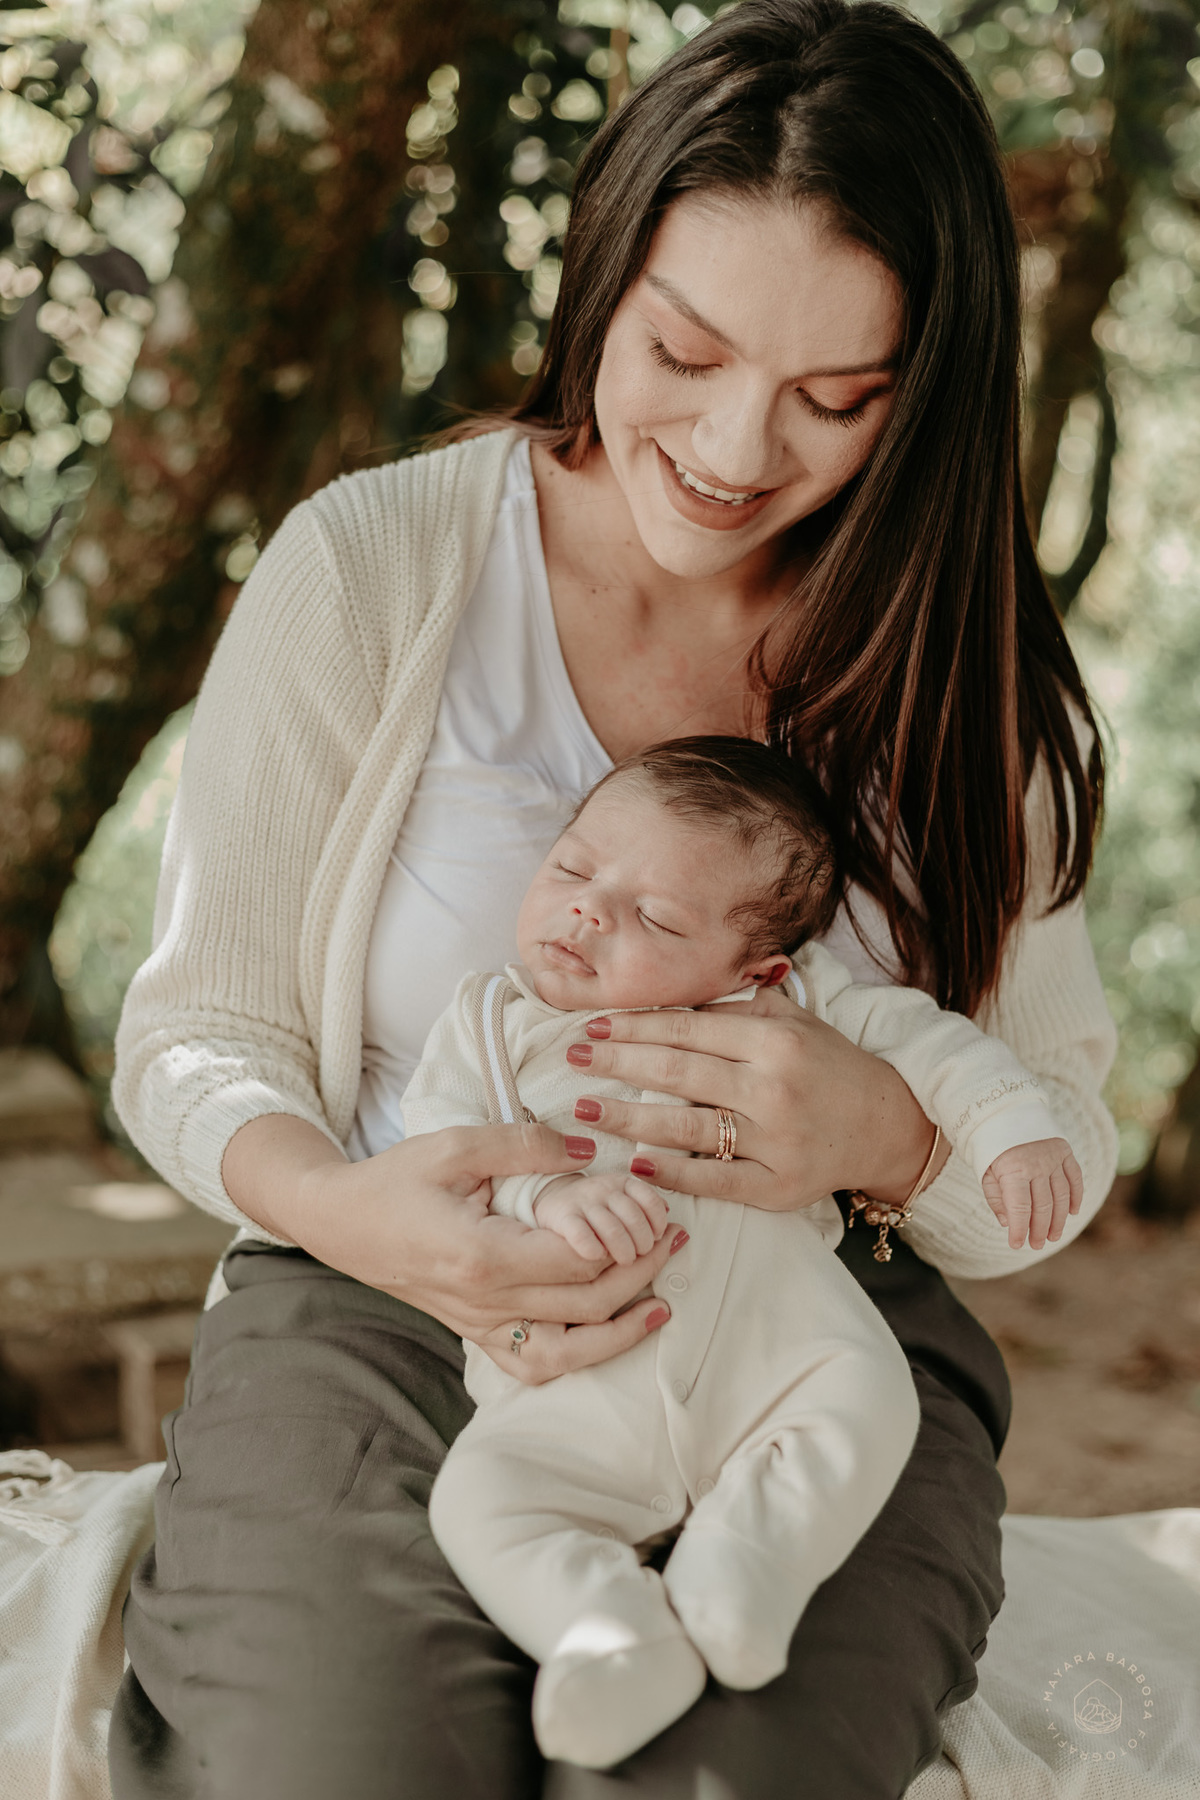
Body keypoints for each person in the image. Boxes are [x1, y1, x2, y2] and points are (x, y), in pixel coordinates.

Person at [108, 2, 1118, 1796]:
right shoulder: (378, 565)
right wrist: (355, 1213)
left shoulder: (974, 687)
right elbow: (200, 1034)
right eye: (685, 351)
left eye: (834, 400)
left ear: (928, 390)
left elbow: (1055, 1148)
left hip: (810, 1345)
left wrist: (886, 1133)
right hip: (388, 1302)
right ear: (604, 275)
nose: (736, 450)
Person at [407, 737, 1080, 1769]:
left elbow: (932, 1048)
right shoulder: (490, 1025)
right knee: (480, 1499)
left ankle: (743, 1570)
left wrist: (1012, 1126)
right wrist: (545, 1192)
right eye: (575, 870)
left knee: (866, 1398)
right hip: (580, 1378)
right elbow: (438, 1158)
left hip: (776, 1337)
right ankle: (611, 1634)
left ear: (752, 966)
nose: (589, 911)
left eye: (659, 918)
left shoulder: (792, 1005)